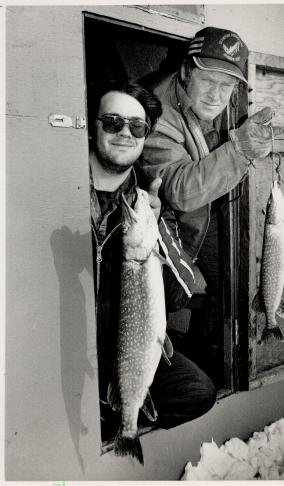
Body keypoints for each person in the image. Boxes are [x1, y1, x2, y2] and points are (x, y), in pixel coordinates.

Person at [140, 26, 284, 378]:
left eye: (227, 85)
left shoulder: (220, 101)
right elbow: (180, 190)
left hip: (210, 210)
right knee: (173, 296)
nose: (216, 95)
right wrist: (240, 150)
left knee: (229, 285)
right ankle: (165, 372)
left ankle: (204, 352)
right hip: (167, 223)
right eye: (208, 80)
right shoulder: (156, 111)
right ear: (187, 71)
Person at [88, 80, 216, 443]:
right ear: (93, 126)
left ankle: (118, 419)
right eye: (113, 122)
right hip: (74, 346)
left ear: (145, 135)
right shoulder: (62, 188)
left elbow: (181, 294)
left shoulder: (149, 201)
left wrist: (158, 228)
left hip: (131, 344)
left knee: (197, 391)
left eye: (137, 126)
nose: (125, 133)